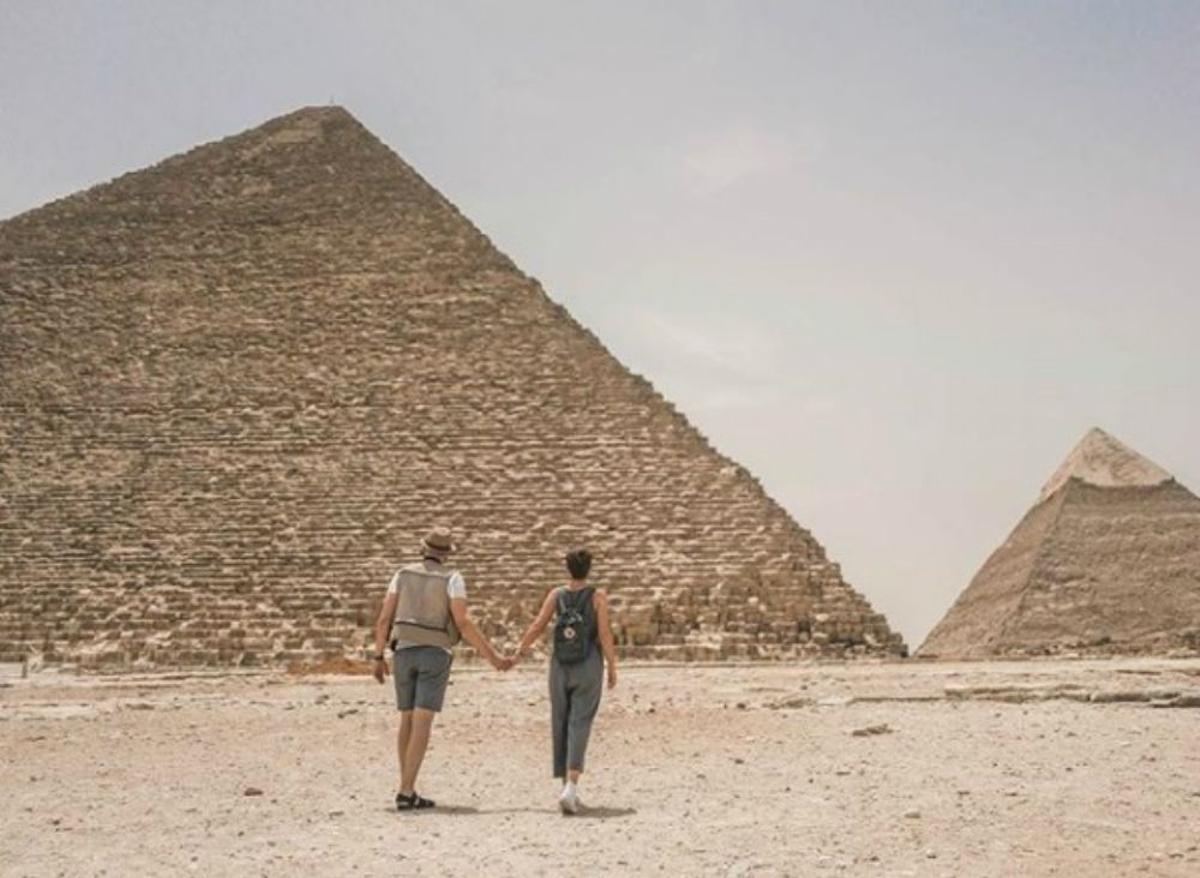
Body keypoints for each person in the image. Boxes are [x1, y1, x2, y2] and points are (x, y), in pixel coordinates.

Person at [371, 527, 511, 811]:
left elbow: (384, 618)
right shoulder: (453, 579)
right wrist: (492, 657)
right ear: (446, 554)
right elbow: (462, 623)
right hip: (434, 653)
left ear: (423, 548)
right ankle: (406, 789)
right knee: (422, 720)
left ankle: (406, 788)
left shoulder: (402, 574)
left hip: (403, 651)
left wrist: (377, 655)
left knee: (406, 719)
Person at [511, 548, 618, 814]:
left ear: (567, 568)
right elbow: (604, 633)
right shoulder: (597, 596)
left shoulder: (557, 595)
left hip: (560, 665)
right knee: (580, 721)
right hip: (588, 664)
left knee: (560, 721)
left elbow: (537, 625)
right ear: (589, 568)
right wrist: (612, 666)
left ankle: (565, 788)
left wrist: (520, 651)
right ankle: (571, 787)